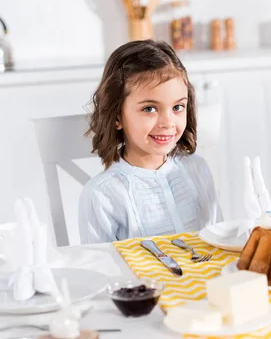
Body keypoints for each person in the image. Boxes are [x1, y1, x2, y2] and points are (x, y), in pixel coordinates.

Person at [78, 40, 220, 243]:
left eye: (178, 107)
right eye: (149, 109)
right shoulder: (102, 195)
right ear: (117, 116)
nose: (167, 122)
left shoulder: (198, 169)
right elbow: (100, 269)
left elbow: (218, 242)